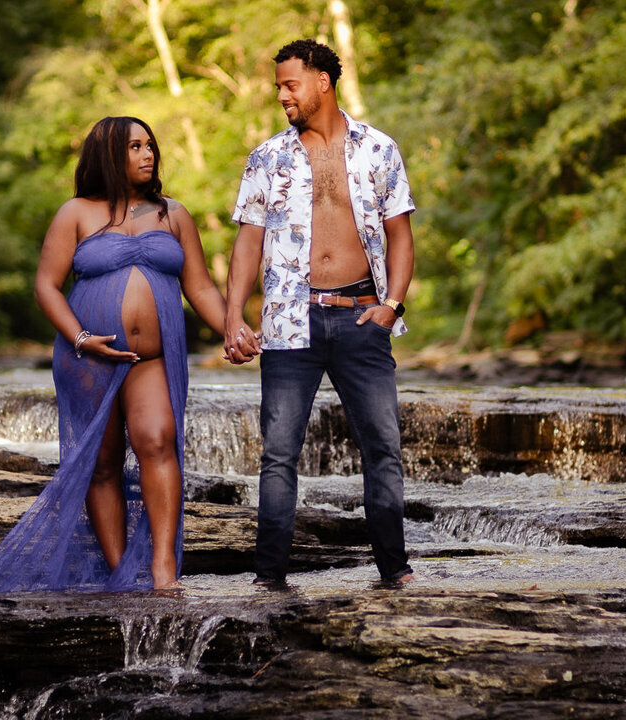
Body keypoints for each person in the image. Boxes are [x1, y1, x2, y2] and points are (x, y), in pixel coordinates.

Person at [0, 116, 227, 593]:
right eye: (135, 147)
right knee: (102, 463)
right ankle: (121, 572)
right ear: (108, 155)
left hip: (151, 359)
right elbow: (46, 286)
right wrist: (80, 337)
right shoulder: (75, 212)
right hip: (87, 357)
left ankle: (163, 569)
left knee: (157, 441)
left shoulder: (173, 213)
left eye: (150, 145)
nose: (148, 154)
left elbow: (200, 286)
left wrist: (233, 330)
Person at [224, 39, 415, 586]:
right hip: (290, 319)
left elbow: (401, 236)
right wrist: (233, 317)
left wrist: (391, 305)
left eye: (291, 84)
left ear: (322, 82)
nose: (282, 95)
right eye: (278, 86)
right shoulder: (266, 157)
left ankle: (395, 571)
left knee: (383, 448)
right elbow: (248, 243)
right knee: (279, 454)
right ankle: (269, 578)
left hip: (362, 315)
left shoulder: (378, 149)